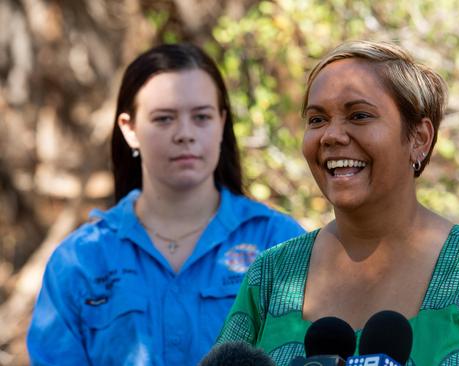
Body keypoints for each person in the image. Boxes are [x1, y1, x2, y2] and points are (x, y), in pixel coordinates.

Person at [216, 40, 459, 365]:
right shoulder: (272, 277)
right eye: (317, 119)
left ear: (419, 138)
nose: (332, 136)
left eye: (359, 116)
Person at [27, 43, 305, 365]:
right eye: (163, 119)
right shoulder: (81, 260)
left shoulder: (280, 244)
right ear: (129, 130)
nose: (185, 134)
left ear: (221, 123)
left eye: (202, 117)